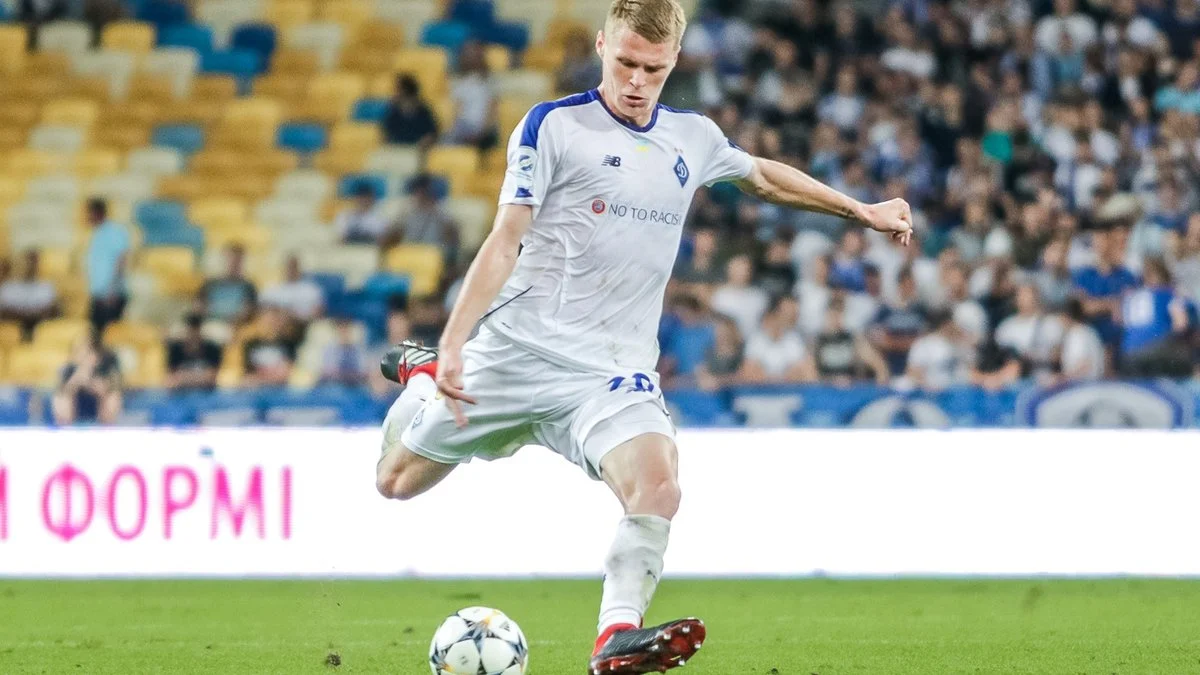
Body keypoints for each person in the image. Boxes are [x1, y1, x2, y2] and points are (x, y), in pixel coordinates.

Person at [373, 2, 912, 672]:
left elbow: (763, 176)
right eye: (626, 62)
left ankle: (615, 636)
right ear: (602, 46)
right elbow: (506, 237)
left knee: (659, 487)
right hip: (516, 352)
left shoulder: (693, 137)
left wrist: (860, 209)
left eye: (652, 69)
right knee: (395, 482)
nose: (635, 81)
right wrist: (454, 344)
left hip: (610, 373)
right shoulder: (554, 125)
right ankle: (424, 376)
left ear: (674, 61)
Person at [52, 331, 122, 426]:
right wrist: (73, 384)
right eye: (78, 352)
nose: (83, 357)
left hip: (100, 414)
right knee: (62, 396)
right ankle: (67, 430)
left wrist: (99, 390)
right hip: (74, 412)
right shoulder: (67, 371)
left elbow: (112, 403)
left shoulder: (106, 370)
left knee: (113, 397)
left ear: (96, 356)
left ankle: (106, 430)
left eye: (87, 353)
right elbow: (60, 406)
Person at [85, 197, 130, 333]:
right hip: (99, 294)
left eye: (89, 213)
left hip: (111, 294)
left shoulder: (114, 232)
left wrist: (113, 290)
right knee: (94, 333)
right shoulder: (96, 234)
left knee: (110, 334)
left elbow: (121, 261)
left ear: (97, 212)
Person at [0, 250, 58, 337]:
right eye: (27, 262)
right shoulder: (8, 287)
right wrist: (29, 315)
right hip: (13, 330)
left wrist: (28, 314)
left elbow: (51, 311)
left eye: (33, 263)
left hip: (41, 327)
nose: (30, 266)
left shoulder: (47, 287)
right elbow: (4, 312)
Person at [166, 313, 223, 391]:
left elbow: (212, 378)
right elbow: (172, 380)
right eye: (190, 331)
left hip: (206, 394)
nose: (193, 335)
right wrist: (201, 377)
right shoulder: (175, 349)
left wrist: (183, 377)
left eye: (196, 331)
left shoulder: (212, 349)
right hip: (182, 393)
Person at [382, 74, 439, 149]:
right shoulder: (393, 111)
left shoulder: (423, 111)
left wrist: (426, 141)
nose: (393, 93)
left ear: (404, 91)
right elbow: (386, 134)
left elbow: (432, 134)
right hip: (397, 149)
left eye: (396, 89)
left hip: (418, 150)